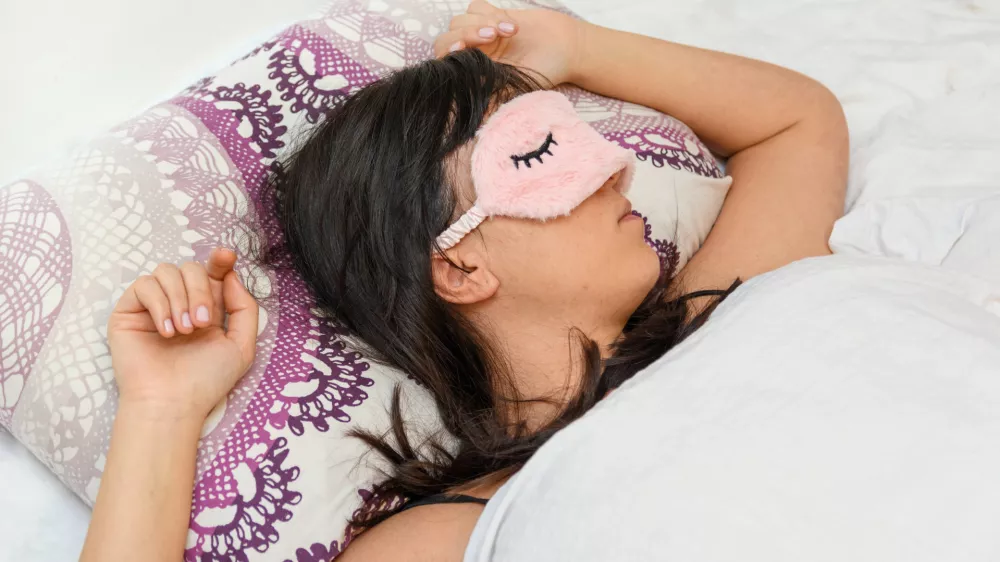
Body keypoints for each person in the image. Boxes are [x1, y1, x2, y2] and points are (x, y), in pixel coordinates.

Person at [79, 1, 848, 560]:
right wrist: (161, 410)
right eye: (541, 155)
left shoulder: (714, 315)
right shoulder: (460, 531)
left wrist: (576, 45)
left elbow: (796, 122)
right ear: (457, 265)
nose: (617, 171)